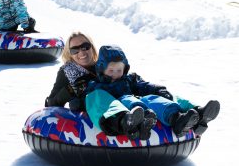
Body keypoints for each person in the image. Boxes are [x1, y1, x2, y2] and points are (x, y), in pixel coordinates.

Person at [45, 32, 220, 138]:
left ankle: (194, 113)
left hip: (131, 102)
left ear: (91, 47)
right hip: (103, 108)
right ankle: (125, 121)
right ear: (70, 53)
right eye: (75, 49)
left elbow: (137, 83)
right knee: (104, 96)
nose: (81, 52)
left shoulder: (108, 61)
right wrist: (71, 92)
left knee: (154, 96)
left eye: (85, 46)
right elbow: (52, 102)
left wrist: (158, 90)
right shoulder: (68, 72)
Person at [85, 45, 203, 139]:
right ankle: (130, 122)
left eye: (119, 70)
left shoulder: (129, 79)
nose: (115, 74)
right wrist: (77, 103)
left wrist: (158, 90)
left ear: (125, 69)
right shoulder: (96, 86)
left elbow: (144, 86)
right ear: (102, 69)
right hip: (120, 110)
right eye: (111, 70)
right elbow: (91, 102)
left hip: (138, 106)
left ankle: (177, 119)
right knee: (124, 99)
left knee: (150, 99)